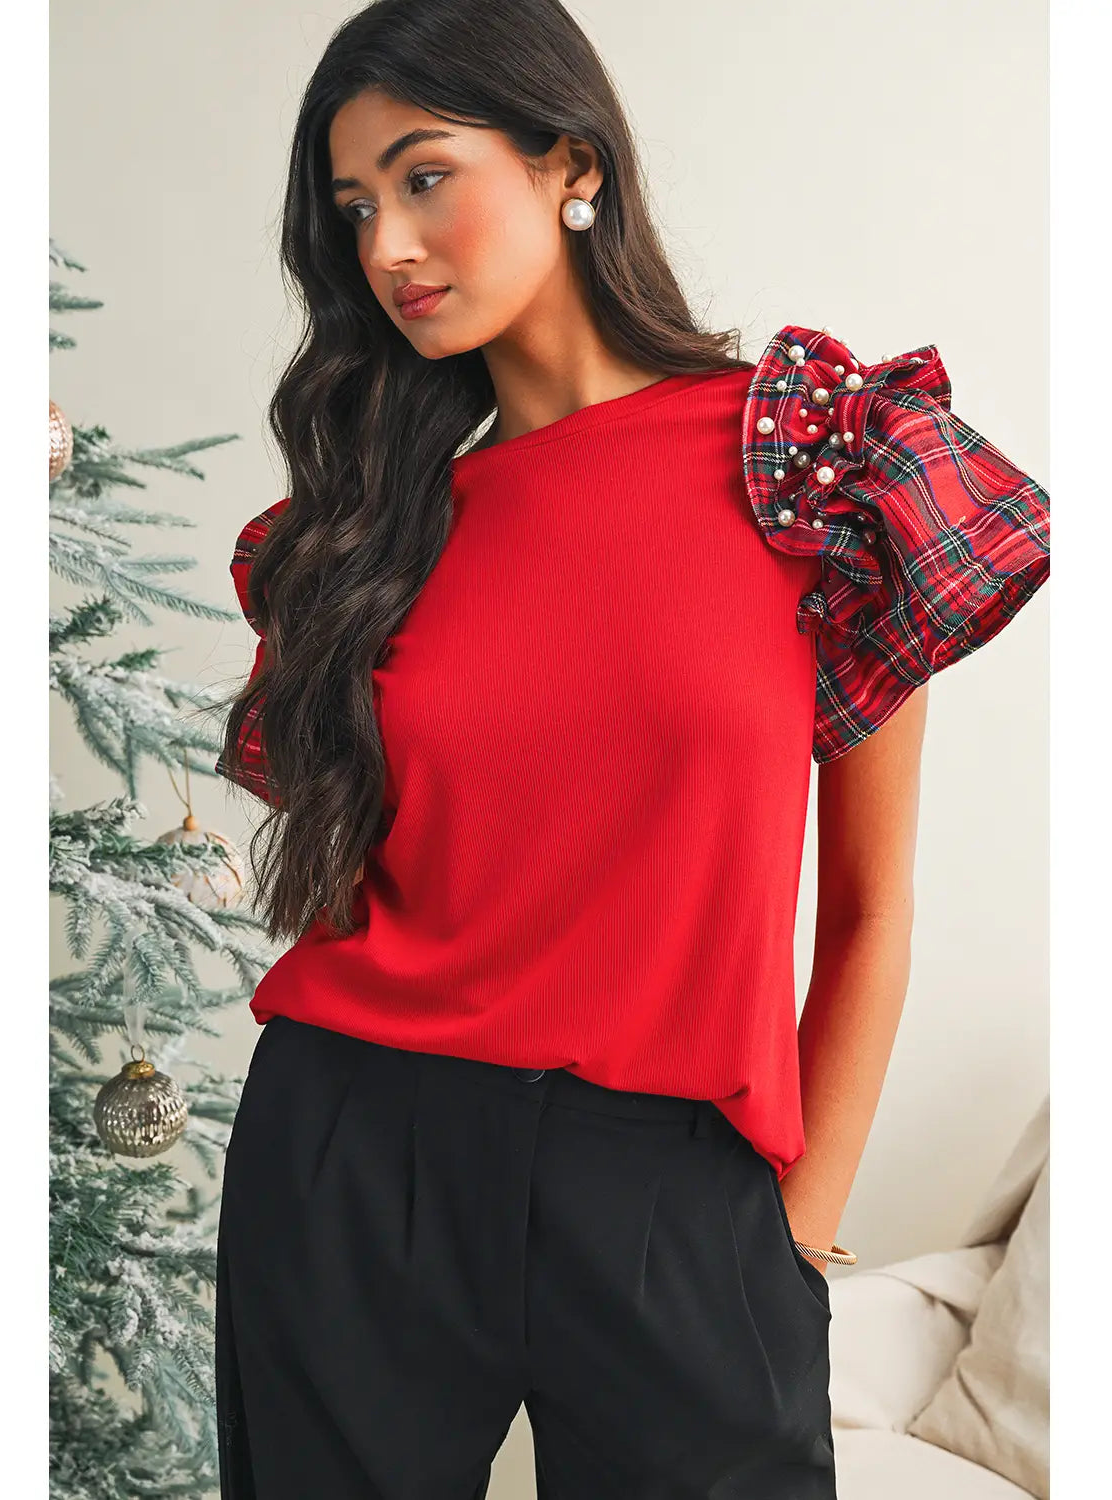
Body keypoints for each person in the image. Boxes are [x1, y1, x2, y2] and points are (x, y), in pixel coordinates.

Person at [212, 2, 1050, 1496]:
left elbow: (869, 910)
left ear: (571, 167)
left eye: (423, 176)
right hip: (355, 1152)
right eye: (352, 208)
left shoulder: (816, 464)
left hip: (678, 1188)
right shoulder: (366, 539)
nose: (387, 245)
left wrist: (791, 1237)